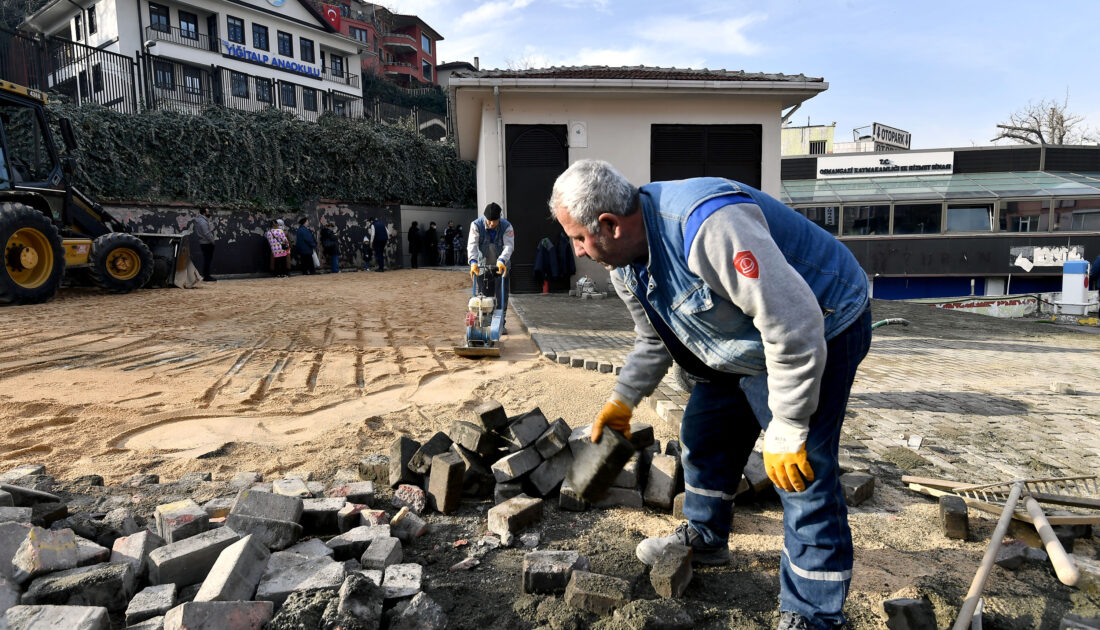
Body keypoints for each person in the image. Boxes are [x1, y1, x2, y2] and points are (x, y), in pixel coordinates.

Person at [550, 160, 871, 630]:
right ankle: (705, 536)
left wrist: (787, 425)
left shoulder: (708, 226)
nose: (577, 251)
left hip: (823, 323)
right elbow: (653, 338)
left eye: (579, 238)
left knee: (802, 471)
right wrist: (622, 402)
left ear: (610, 225)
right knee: (703, 434)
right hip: (736, 342)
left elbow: (794, 324)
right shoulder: (624, 265)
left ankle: (814, 614)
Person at [467, 202, 514, 335]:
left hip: (501, 267)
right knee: (484, 295)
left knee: (501, 295)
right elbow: (472, 245)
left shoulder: (507, 226)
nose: (492, 224)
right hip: (483, 266)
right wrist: (473, 262)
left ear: (499, 218)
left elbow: (509, 246)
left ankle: (501, 323)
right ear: (485, 218)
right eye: (489, 221)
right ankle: (486, 323)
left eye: (494, 221)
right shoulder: (476, 225)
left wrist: (502, 260)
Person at [192, 208, 217, 282]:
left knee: (207, 259)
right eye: (207, 211)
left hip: (203, 242)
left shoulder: (199, 220)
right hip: (207, 243)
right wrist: (212, 241)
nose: (209, 212)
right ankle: (207, 276)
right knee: (207, 260)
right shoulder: (202, 222)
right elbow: (207, 233)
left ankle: (206, 275)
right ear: (204, 213)